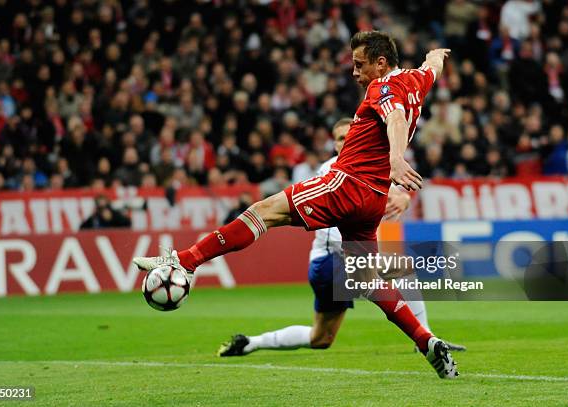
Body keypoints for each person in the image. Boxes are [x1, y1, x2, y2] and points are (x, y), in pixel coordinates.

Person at [134, 31, 458, 378]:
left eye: (359, 64)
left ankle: (185, 261)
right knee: (366, 278)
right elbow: (432, 67)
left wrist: (396, 158)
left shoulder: (382, 89)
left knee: (263, 212)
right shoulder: (416, 81)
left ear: (381, 64)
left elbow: (394, 118)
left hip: (345, 184)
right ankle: (426, 341)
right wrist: (434, 55)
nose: (354, 72)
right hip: (373, 200)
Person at [217, 119, 466, 357]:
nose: (345, 142)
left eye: (350, 136)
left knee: (321, 338)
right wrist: (398, 195)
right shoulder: (331, 169)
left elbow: (394, 191)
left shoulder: (367, 167)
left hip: (335, 262)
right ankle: (427, 339)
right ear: (334, 144)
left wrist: (403, 196)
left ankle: (250, 343)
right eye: (340, 138)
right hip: (334, 258)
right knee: (402, 269)